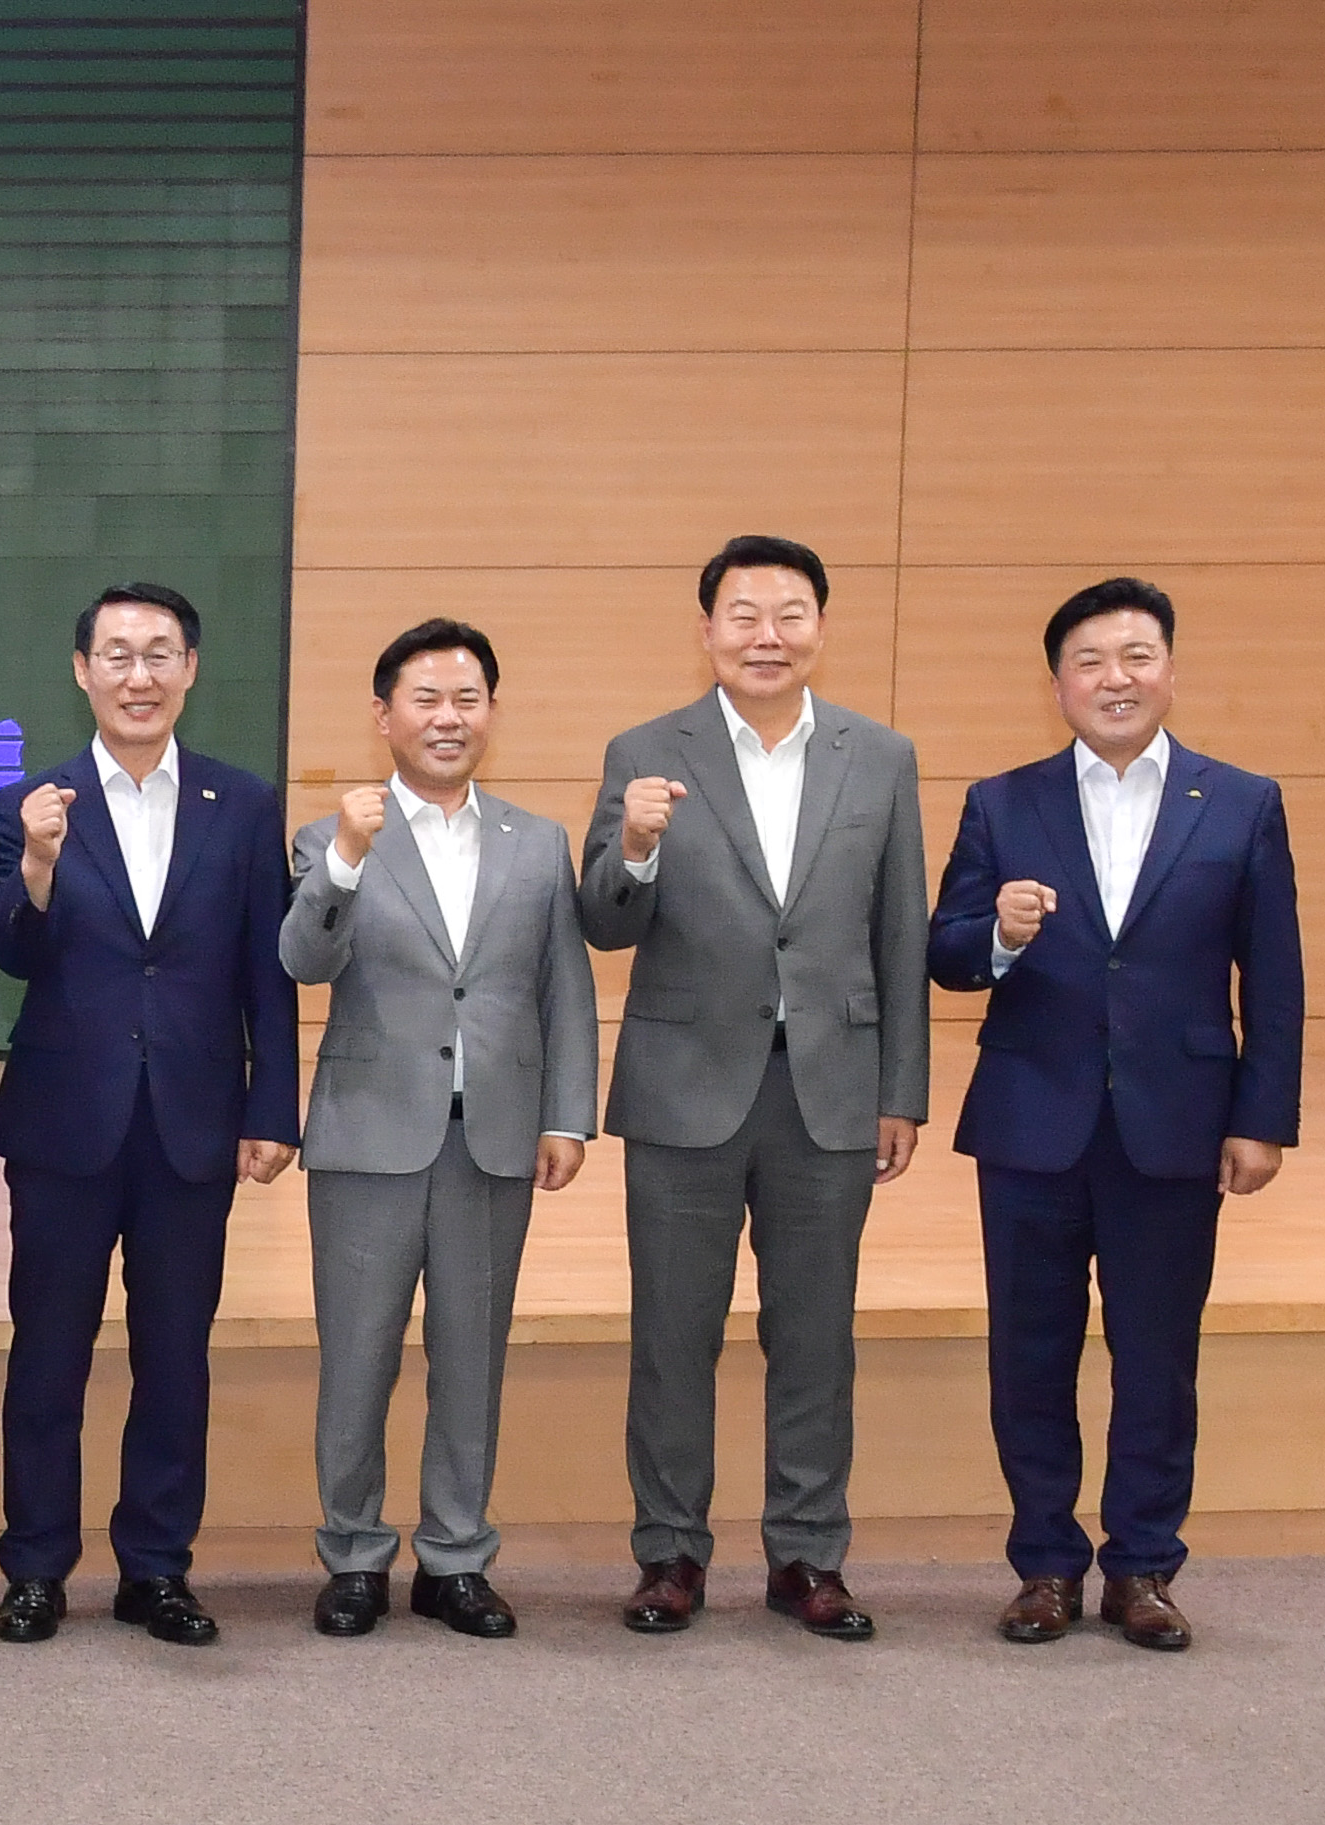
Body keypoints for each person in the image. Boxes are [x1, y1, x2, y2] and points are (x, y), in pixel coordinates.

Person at [930, 578, 1301, 1653]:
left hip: (1176, 1121)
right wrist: (997, 934)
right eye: (1089, 661)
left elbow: (1273, 974)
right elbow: (943, 951)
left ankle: (1142, 1563)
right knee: (1029, 1354)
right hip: (1031, 1120)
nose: (1115, 678)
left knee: (1157, 1356)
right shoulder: (1003, 801)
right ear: (1057, 685)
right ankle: (1045, 1563)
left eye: (1136, 656)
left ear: (1170, 671)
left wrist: (1262, 1116)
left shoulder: (1241, 802)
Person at [578, 535, 931, 1640]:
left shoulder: (881, 757)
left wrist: (901, 1088)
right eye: (743, 615)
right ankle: (669, 1552)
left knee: (815, 1335)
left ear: (821, 626)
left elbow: (900, 930)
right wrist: (635, 846)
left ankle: (807, 1555)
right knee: (672, 1334)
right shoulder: (645, 750)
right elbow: (602, 920)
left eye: (789, 614)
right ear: (706, 631)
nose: (766, 636)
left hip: (830, 1090)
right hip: (683, 1088)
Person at [0, 583, 298, 1648]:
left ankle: (156, 1567)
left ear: (190, 669)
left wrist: (272, 1105)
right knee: (47, 1357)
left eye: (160, 653)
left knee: (174, 1358)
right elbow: (9, 951)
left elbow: (266, 969)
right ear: (82, 671)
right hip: (64, 1125)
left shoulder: (241, 804)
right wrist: (37, 863)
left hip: (192, 1125)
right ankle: (35, 1567)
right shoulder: (31, 803)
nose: (139, 674)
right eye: (116, 654)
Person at [279, 618, 598, 1641]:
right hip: (369, 1138)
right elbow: (302, 960)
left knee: (472, 1356)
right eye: (425, 699)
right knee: (358, 1357)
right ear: (384, 716)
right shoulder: (332, 836)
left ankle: (456, 1556)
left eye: (466, 698)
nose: (447, 717)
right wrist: (345, 857)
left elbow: (564, 987)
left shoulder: (536, 842)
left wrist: (568, 1115)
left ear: (492, 712)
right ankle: (354, 1554)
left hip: (493, 1139)